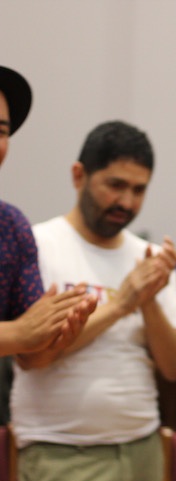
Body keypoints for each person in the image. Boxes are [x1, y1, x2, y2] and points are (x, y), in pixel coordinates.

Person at [10, 120, 176, 481]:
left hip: (140, 452)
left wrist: (149, 299)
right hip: (60, 452)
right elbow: (32, 358)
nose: (126, 202)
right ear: (78, 175)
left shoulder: (148, 260)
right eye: (115, 185)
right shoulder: (37, 244)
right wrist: (122, 303)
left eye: (139, 190)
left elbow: (175, 366)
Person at [0, 65, 95, 364]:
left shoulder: (12, 227)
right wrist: (18, 334)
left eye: (1, 131)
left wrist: (56, 335)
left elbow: (30, 356)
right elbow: (20, 333)